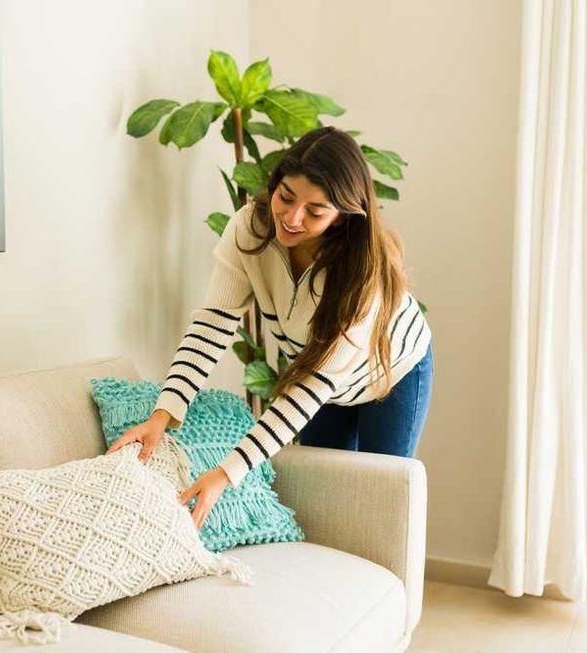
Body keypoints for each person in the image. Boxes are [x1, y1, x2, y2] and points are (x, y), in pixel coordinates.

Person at [106, 126, 434, 530]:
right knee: (327, 500)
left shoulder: (364, 276)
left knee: (381, 505)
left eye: (315, 212)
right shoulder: (251, 229)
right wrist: (163, 414)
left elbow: (312, 386)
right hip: (318, 382)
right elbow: (213, 323)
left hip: (391, 374)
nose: (293, 219)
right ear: (275, 185)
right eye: (286, 198)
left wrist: (226, 475)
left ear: (344, 215)